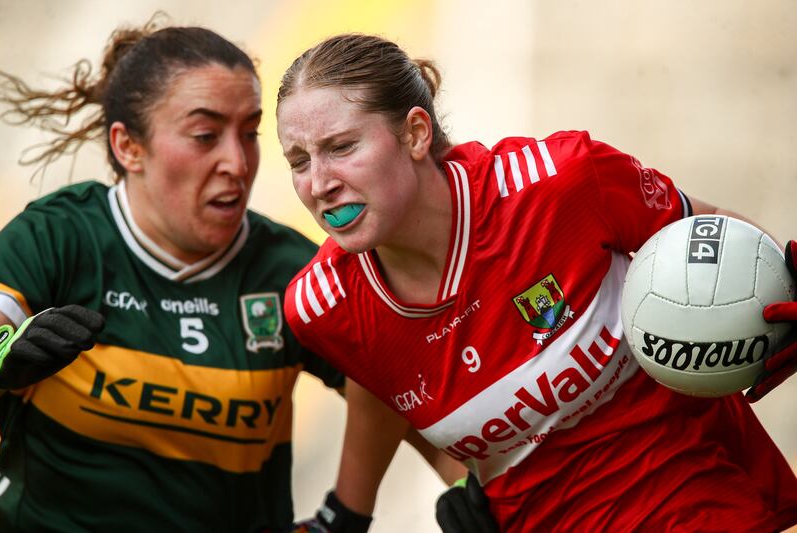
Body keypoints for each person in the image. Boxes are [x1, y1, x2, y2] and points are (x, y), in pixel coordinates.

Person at [275, 33, 797, 532]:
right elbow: (383, 379)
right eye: (299, 162)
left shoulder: (562, 181)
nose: (319, 183)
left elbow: (713, 233)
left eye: (341, 147)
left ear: (415, 133)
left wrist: (783, 295)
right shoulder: (320, 307)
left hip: (699, 497)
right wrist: (450, 483)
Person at [0, 18, 354, 532]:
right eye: (206, 135)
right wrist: (4, 359)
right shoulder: (60, 238)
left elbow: (403, 396)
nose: (238, 161)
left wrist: (347, 511)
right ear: (128, 147)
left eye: (250, 133)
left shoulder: (292, 270)